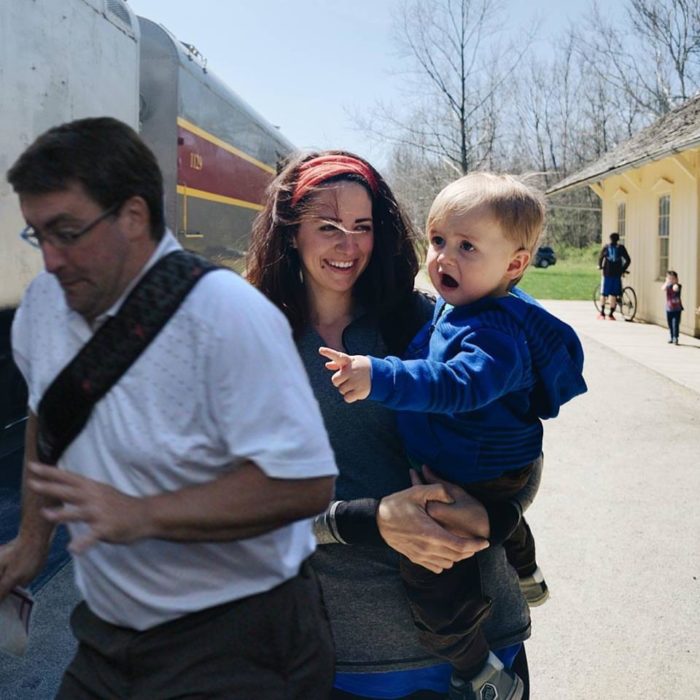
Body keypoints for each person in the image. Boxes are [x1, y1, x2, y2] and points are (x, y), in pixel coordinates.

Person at [0, 117, 338, 699]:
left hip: (239, 644)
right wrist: (33, 541)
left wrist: (144, 513)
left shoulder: (227, 316)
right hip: (107, 635)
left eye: (67, 232)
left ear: (133, 216)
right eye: (38, 235)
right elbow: (46, 413)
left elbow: (306, 485)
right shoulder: (43, 305)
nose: (50, 260)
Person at [247, 152, 542, 700]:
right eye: (327, 226)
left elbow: (521, 456)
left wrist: (492, 513)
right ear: (290, 232)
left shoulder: (436, 323)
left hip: (486, 635)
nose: (348, 245)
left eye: (362, 227)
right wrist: (370, 520)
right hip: (344, 658)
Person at [318, 172, 587, 699]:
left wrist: (380, 374)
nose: (444, 258)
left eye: (467, 246)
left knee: (433, 578)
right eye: (438, 240)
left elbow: (455, 384)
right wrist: (362, 520)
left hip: (480, 472)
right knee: (484, 511)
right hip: (342, 652)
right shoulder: (455, 309)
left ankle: (476, 668)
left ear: (514, 263)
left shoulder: (489, 328)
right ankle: (526, 566)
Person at [597, 232, 631, 320]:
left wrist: (600, 266)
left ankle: (602, 313)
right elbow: (628, 260)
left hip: (607, 273)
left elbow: (600, 258)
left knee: (603, 293)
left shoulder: (606, 247)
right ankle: (611, 314)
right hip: (617, 274)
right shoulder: (621, 248)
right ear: (618, 239)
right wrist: (623, 269)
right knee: (614, 294)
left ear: (610, 239)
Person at [662, 270, 684, 344]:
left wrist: (674, 284)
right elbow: (663, 288)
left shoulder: (678, 285)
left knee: (675, 324)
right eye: (669, 278)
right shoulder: (667, 286)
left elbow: (675, 288)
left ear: (676, 279)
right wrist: (666, 282)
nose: (671, 280)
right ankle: (671, 337)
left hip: (677, 309)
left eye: (673, 278)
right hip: (669, 309)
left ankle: (675, 338)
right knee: (670, 324)